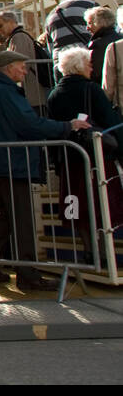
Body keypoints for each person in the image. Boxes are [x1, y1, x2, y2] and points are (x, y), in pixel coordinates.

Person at [0, 51, 89, 290]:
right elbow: (29, 124)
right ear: (8, 68)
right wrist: (67, 126)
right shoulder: (6, 93)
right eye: (21, 66)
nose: (25, 71)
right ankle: (27, 273)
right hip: (13, 162)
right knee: (22, 217)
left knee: (5, 214)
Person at [47, 47, 123, 250]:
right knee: (102, 205)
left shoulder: (54, 95)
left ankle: (90, 250)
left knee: (77, 207)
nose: (92, 67)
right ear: (79, 66)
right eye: (89, 63)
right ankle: (105, 252)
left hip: (70, 160)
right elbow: (110, 119)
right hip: (96, 156)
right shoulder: (91, 89)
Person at [0, 11, 50, 114]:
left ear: (11, 22)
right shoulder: (16, 37)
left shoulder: (18, 37)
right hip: (31, 96)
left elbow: (19, 67)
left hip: (32, 96)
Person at [45, 0, 97, 67]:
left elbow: (50, 47)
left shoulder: (51, 15)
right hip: (85, 62)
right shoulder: (91, 6)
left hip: (61, 64)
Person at [86, 5, 120, 89]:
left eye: (89, 23)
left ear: (100, 23)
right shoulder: (121, 38)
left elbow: (96, 74)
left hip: (108, 91)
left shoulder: (97, 45)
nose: (87, 28)